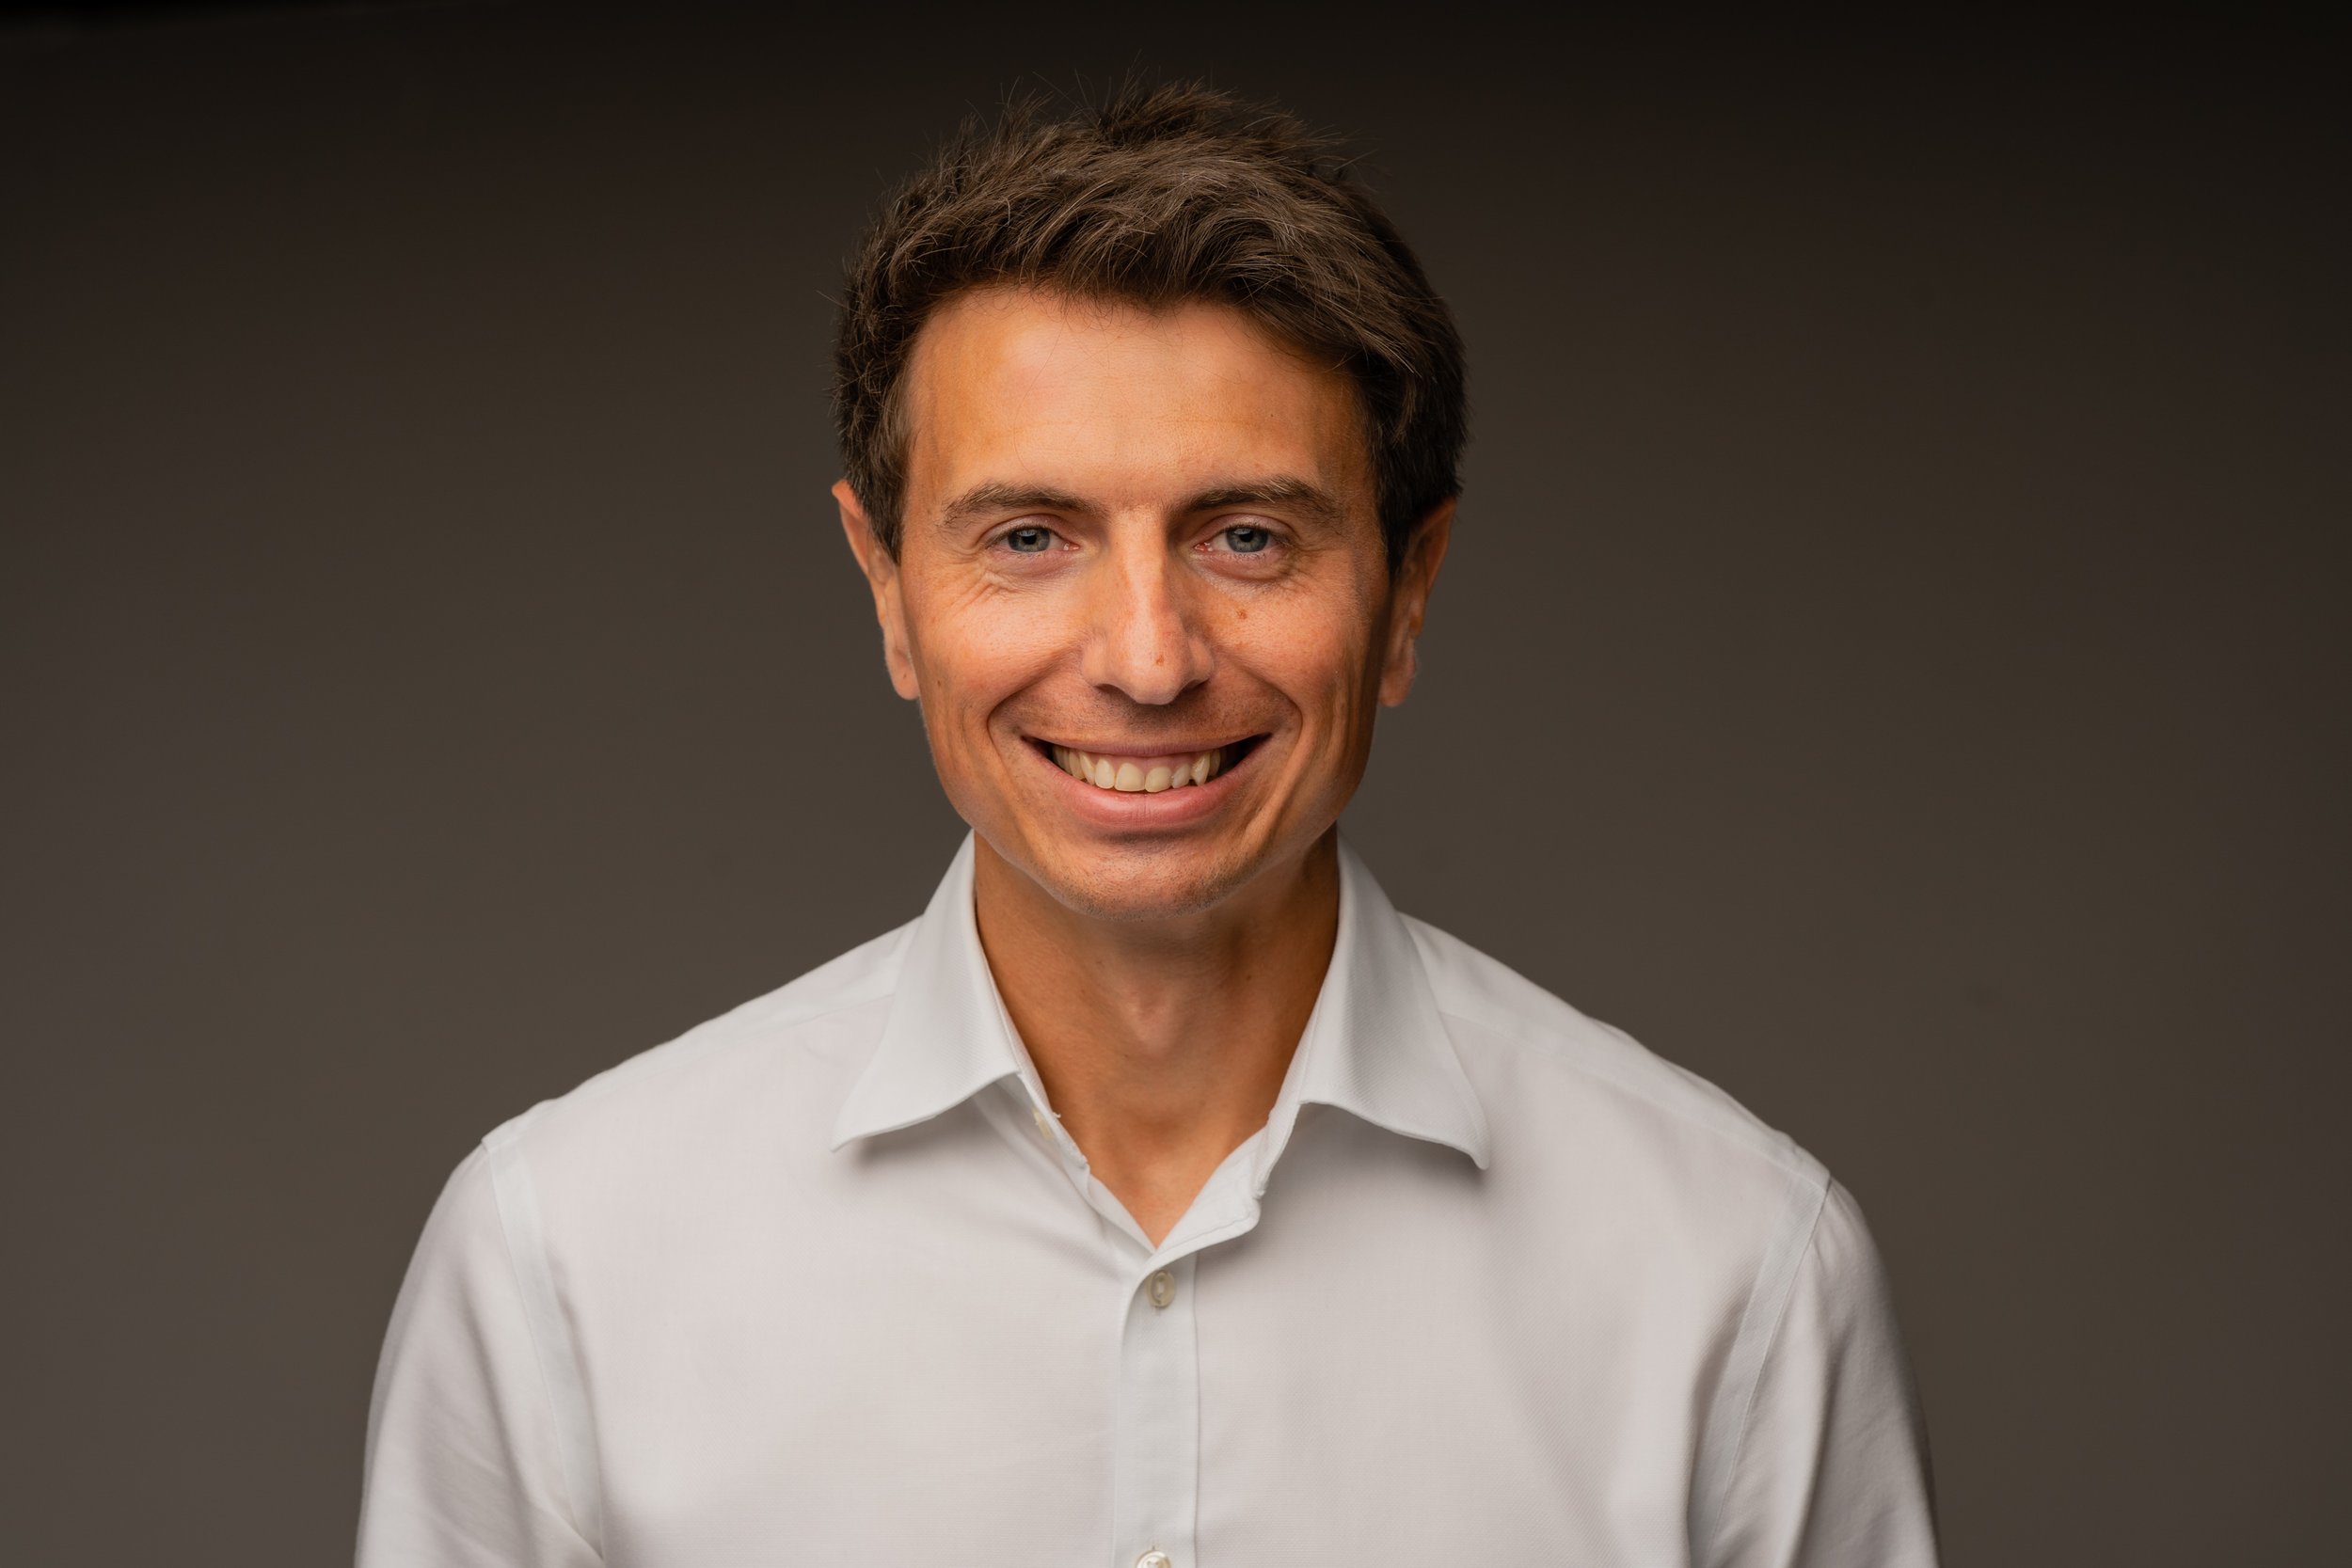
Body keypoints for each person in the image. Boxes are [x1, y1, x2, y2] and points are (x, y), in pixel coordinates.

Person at [356, 82, 1938, 1567]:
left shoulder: (1736, 1269)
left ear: (1409, 593)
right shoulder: (561, 1258)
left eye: (1247, 535)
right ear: (887, 594)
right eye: (1030, 536)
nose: (1146, 657)